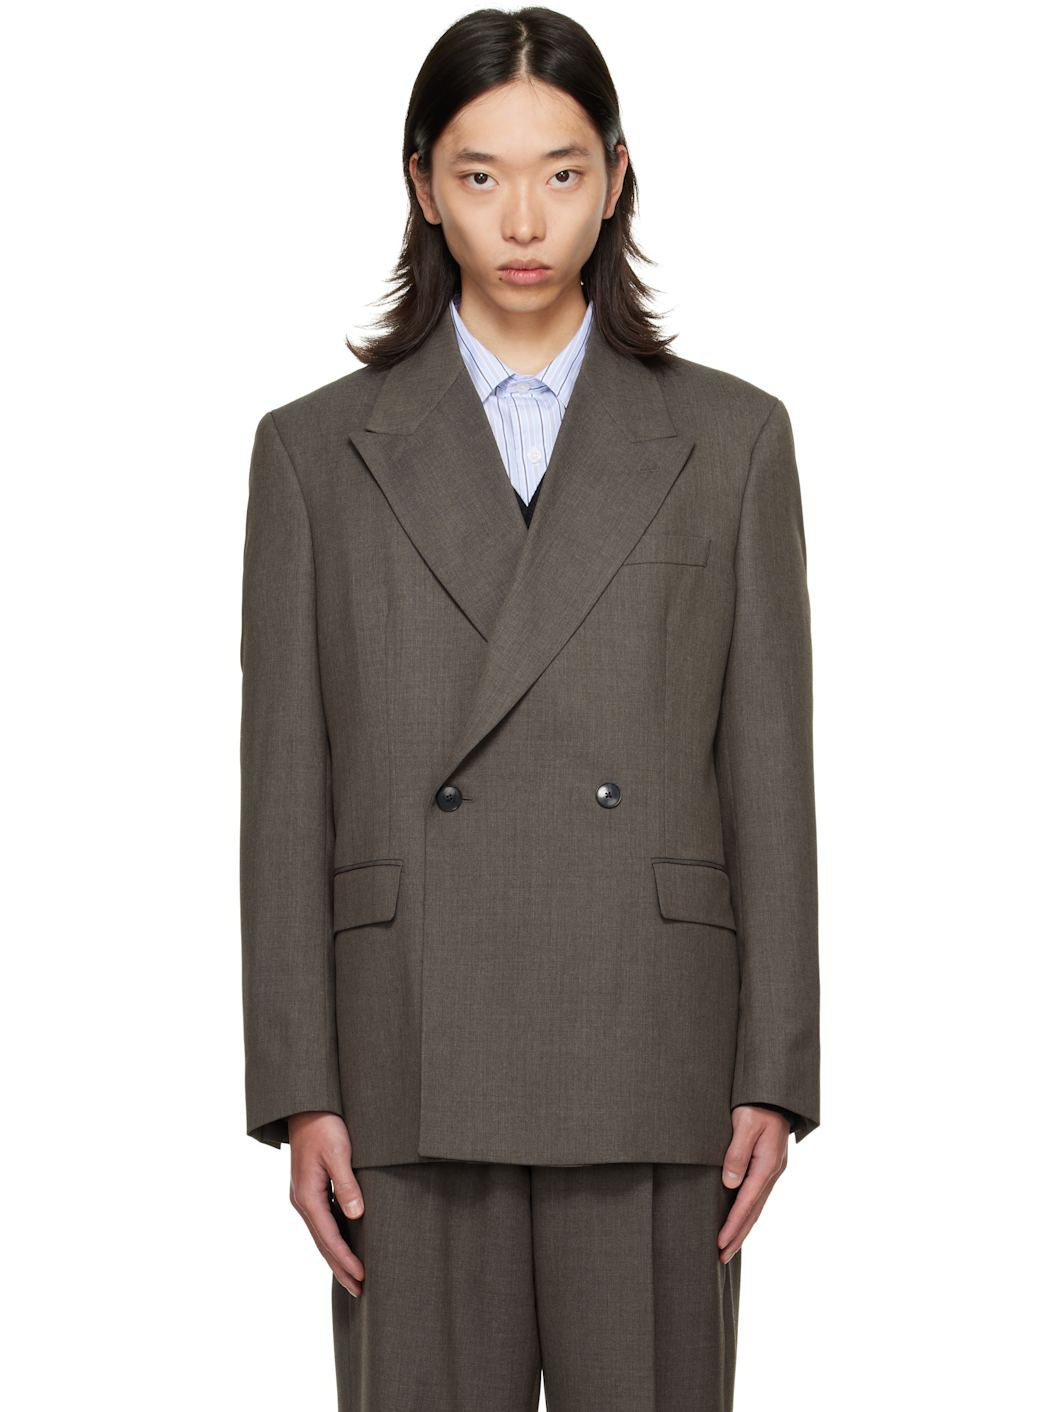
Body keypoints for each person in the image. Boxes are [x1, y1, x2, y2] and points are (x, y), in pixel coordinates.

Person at [239, 8, 820, 1410]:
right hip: (406, 1051)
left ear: (616, 179)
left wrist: (776, 1069)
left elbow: (770, 770)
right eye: (480, 173)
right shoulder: (313, 453)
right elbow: (285, 789)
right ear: (423, 184)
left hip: (659, 1048)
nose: (521, 219)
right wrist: (299, 1086)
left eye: (560, 173)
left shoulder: (733, 439)